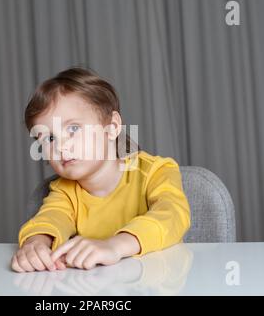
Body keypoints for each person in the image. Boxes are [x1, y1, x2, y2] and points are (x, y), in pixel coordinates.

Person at [11, 67, 190, 272]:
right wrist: (37, 242)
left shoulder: (155, 171)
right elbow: (52, 217)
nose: (61, 146)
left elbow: (172, 214)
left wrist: (115, 245)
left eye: (73, 128)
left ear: (112, 127)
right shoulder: (65, 190)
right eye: (50, 138)